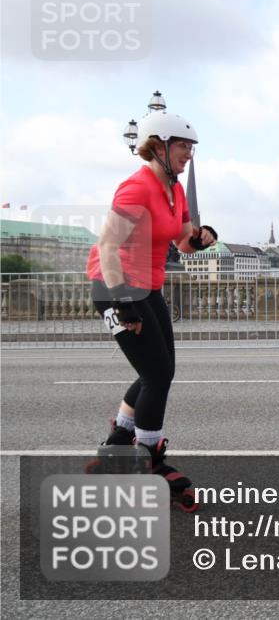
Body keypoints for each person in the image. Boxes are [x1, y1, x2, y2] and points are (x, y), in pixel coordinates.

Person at [87, 110, 217, 503]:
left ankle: (117, 442)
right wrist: (123, 303)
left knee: (159, 371)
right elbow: (108, 246)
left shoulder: (174, 191)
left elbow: (181, 242)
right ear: (157, 146)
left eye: (192, 147)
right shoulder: (136, 188)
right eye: (182, 146)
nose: (189, 154)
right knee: (157, 374)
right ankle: (148, 457)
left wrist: (201, 240)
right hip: (116, 288)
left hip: (149, 288)